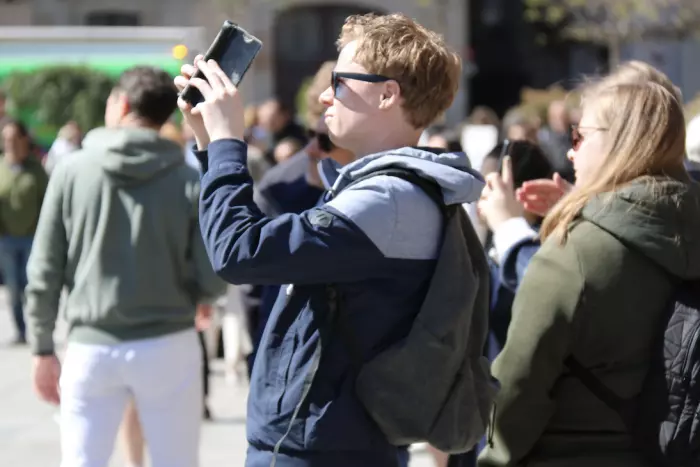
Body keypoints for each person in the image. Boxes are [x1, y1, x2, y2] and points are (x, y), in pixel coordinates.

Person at [175, 12, 486, 467]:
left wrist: (226, 142)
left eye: (340, 82)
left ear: (387, 94)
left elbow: (240, 253)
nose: (324, 96)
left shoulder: (390, 198)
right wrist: (209, 143)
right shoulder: (393, 191)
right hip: (331, 444)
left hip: (323, 450)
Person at [478, 65, 700, 466]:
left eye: (579, 136)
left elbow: (517, 389)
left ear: (621, 143)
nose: (569, 150)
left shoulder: (573, 254)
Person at [25, 66, 225, 467]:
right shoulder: (189, 179)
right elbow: (211, 273)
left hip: (91, 344)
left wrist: (42, 347)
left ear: (122, 103)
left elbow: (45, 268)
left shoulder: (70, 171)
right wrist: (201, 296)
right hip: (169, 342)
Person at [0, 119, 48, 345]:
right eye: (5, 138)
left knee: (32, 285)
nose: (9, 143)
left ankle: (39, 328)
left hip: (32, 238)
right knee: (13, 287)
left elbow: (48, 201)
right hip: (6, 239)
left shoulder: (35, 168)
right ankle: (21, 330)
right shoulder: (0, 167)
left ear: (23, 139)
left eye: (13, 138)